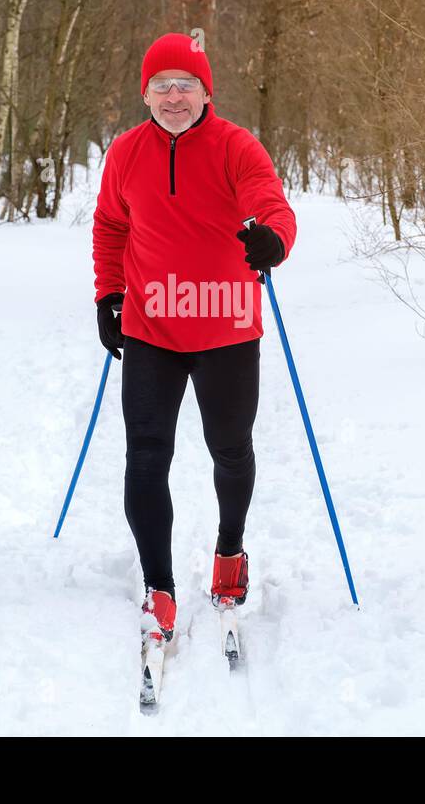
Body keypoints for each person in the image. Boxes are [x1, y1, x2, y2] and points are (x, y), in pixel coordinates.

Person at [92, 32, 297, 647]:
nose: (174, 96)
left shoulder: (237, 146)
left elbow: (272, 204)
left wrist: (272, 239)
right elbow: (110, 225)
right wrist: (109, 295)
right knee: (146, 455)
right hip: (152, 325)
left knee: (229, 449)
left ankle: (229, 556)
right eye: (162, 85)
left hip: (227, 323)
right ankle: (160, 585)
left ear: (206, 91)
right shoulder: (126, 152)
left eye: (186, 85)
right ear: (145, 92)